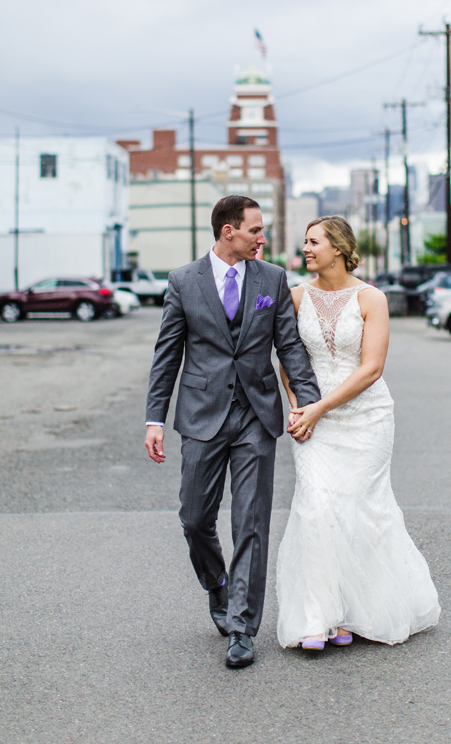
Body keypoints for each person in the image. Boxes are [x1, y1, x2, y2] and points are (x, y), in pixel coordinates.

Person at [145, 195, 322, 668]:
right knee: (195, 519)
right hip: (202, 415)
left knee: (251, 524)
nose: (262, 238)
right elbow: (167, 355)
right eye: (255, 230)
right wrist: (154, 419)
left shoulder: (271, 279)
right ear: (228, 231)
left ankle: (242, 627)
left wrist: (308, 404)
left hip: (255, 417)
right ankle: (217, 585)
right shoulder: (184, 281)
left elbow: (290, 347)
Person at [275, 216, 440, 650]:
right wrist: (297, 408)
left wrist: (319, 408)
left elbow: (371, 368)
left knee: (359, 510)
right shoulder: (294, 297)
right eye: (305, 242)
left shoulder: (372, 298)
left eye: (313, 242)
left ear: (339, 247)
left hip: (365, 417)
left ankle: (351, 612)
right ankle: (317, 617)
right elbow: (288, 359)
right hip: (311, 419)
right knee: (315, 507)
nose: (306, 248)